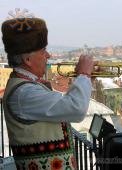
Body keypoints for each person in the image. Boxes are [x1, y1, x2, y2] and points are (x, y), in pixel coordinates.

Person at [1, 17, 94, 170]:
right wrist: (84, 75)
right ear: (28, 59)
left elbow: (62, 106)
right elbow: (76, 109)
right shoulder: (24, 92)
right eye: (43, 51)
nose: (48, 55)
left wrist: (86, 79)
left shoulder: (27, 87)